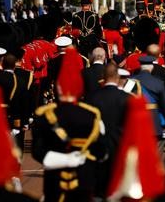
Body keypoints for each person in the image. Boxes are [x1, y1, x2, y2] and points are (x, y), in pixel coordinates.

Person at [31, 47, 105, 202]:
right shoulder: (92, 115)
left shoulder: (45, 115)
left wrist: (63, 159)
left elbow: (38, 152)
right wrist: (80, 159)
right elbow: (101, 151)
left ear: (58, 88)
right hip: (84, 180)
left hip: (54, 181)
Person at [86, 63, 132, 196]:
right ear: (117, 77)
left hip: (98, 146)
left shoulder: (92, 97)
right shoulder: (127, 98)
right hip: (120, 145)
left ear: (103, 77)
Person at [132, 55, 165, 138]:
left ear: (140, 67)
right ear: (151, 67)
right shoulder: (158, 82)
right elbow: (164, 104)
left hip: (136, 119)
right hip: (154, 120)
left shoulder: (131, 81)